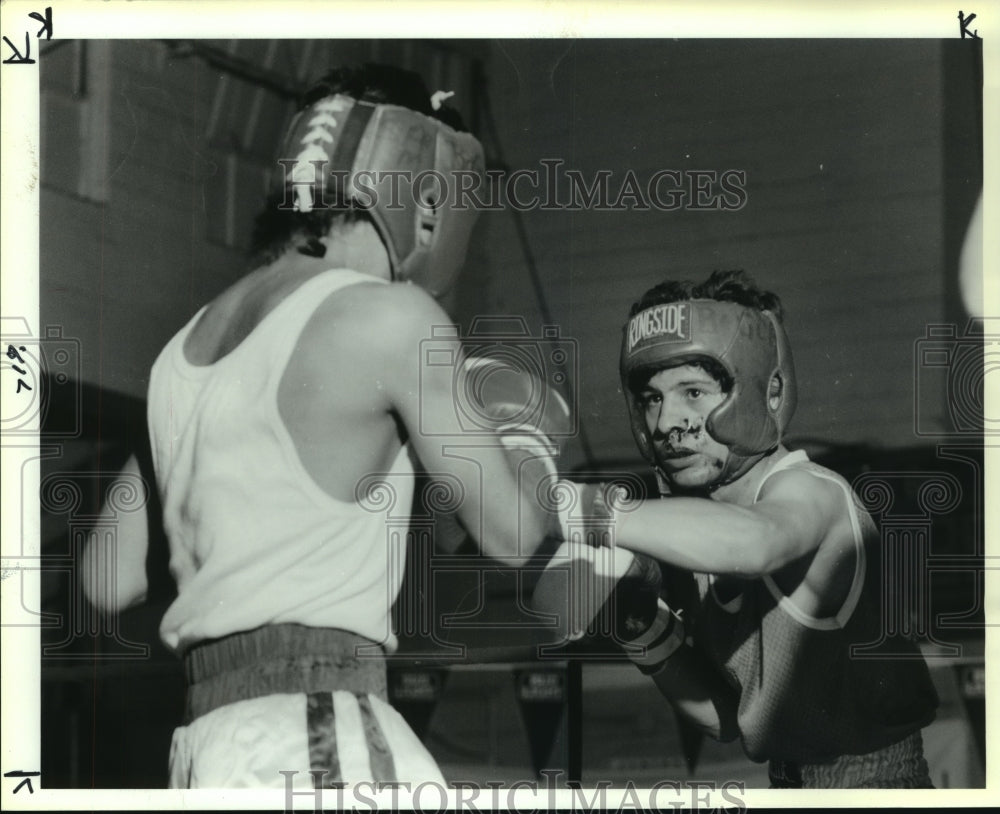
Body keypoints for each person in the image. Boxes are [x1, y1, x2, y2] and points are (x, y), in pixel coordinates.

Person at [80, 64, 568, 789]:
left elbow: (104, 582)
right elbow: (517, 534)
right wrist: (525, 443)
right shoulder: (388, 317)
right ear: (424, 195)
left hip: (207, 744)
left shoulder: (180, 351)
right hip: (318, 730)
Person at [550, 269, 939, 788]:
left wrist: (571, 507)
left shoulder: (812, 492)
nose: (667, 422)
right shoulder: (697, 529)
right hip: (787, 781)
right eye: (651, 397)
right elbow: (730, 719)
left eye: (693, 391)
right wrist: (643, 630)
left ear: (763, 390)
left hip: (873, 783)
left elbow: (757, 542)